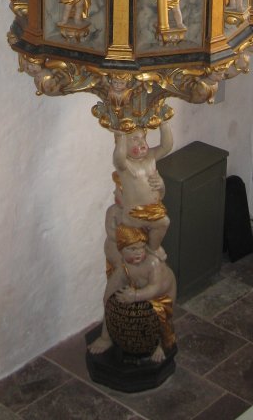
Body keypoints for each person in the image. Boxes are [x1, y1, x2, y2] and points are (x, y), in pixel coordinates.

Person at [89, 224, 176, 361]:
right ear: (121, 249)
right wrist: (111, 300)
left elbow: (154, 288)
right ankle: (106, 338)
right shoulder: (123, 264)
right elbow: (108, 296)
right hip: (140, 288)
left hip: (162, 293)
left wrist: (135, 296)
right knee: (110, 300)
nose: (139, 252)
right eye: (133, 249)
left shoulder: (152, 263)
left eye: (142, 247)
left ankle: (160, 345)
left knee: (162, 316)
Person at [113, 123, 172, 258]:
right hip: (135, 214)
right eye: (135, 139)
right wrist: (121, 135)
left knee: (163, 222)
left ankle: (152, 246)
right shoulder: (126, 165)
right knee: (164, 222)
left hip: (153, 210)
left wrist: (164, 123)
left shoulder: (150, 156)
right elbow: (118, 158)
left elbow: (166, 146)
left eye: (143, 138)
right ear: (123, 145)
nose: (142, 142)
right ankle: (153, 248)